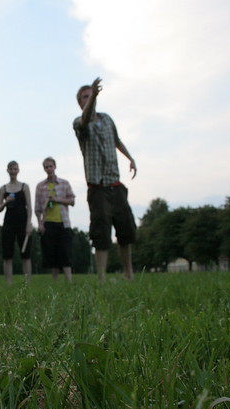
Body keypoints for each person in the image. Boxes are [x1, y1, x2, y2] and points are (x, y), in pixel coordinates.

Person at [73, 77, 137, 282]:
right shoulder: (79, 123)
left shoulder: (108, 119)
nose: (89, 98)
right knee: (101, 234)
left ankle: (129, 274)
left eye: (90, 95)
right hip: (97, 186)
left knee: (126, 231)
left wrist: (130, 158)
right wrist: (94, 96)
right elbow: (84, 121)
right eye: (85, 96)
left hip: (115, 183)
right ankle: (101, 278)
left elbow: (117, 141)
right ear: (80, 102)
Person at [34, 157, 76, 282]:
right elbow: (37, 209)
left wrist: (57, 200)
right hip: (48, 223)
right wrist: (40, 224)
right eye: (46, 167)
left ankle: (69, 280)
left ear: (55, 167)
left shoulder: (64, 183)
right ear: (44, 169)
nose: (49, 169)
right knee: (51, 253)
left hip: (63, 222)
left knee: (65, 252)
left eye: (50, 166)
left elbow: (72, 200)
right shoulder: (40, 186)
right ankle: (55, 282)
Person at [0, 160, 33, 284]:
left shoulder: (25, 187)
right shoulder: (3, 188)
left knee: (26, 255)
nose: (13, 171)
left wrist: (29, 224)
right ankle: (8, 283)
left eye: (15, 169)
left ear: (18, 170)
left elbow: (29, 207)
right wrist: (6, 201)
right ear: (7, 170)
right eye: (11, 169)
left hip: (23, 224)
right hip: (8, 224)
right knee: (7, 255)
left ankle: (27, 283)